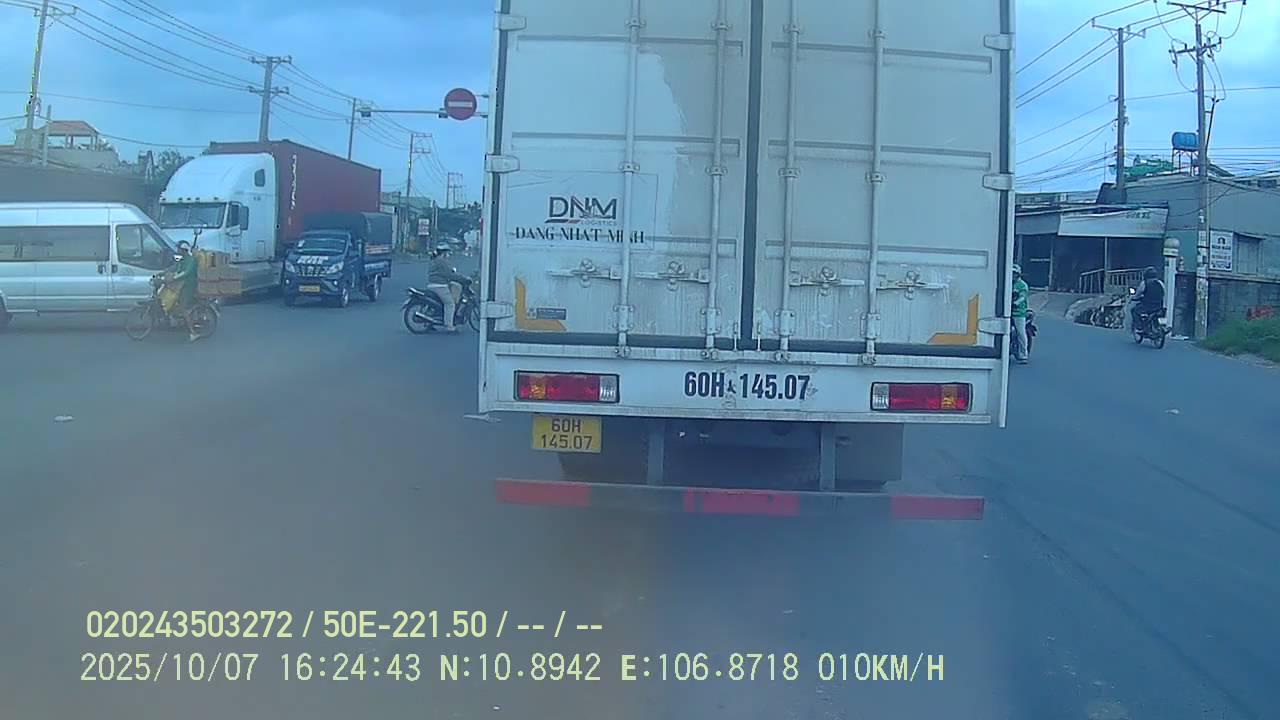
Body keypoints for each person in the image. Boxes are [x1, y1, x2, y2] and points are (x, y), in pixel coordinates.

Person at [427, 242, 468, 332]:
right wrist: (463, 279)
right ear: (444, 252)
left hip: (436, 284)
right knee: (450, 304)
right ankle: (449, 326)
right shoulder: (441, 261)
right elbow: (449, 274)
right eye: (448, 252)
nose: (449, 254)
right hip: (439, 286)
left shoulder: (437, 260)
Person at [165, 240, 201, 342]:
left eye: (179, 249)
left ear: (184, 250)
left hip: (188, 287)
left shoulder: (191, 260)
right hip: (181, 285)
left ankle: (193, 333)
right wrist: (163, 273)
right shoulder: (182, 259)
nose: (177, 251)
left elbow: (186, 272)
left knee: (183, 308)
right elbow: (175, 268)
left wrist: (174, 278)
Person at [1130, 266, 1165, 332]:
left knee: (1134, 311)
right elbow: (1164, 293)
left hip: (1147, 306)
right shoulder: (1160, 283)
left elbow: (1138, 293)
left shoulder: (1144, 283)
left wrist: (1134, 298)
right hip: (1158, 305)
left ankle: (1139, 327)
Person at [1011, 263, 1030, 364]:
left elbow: (1023, 296)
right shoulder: (1008, 282)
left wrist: (1016, 303)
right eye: (1012, 273)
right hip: (1006, 312)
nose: (1013, 275)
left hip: (1019, 312)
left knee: (1021, 332)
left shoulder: (1022, 285)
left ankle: (1023, 355)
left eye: (1015, 273)